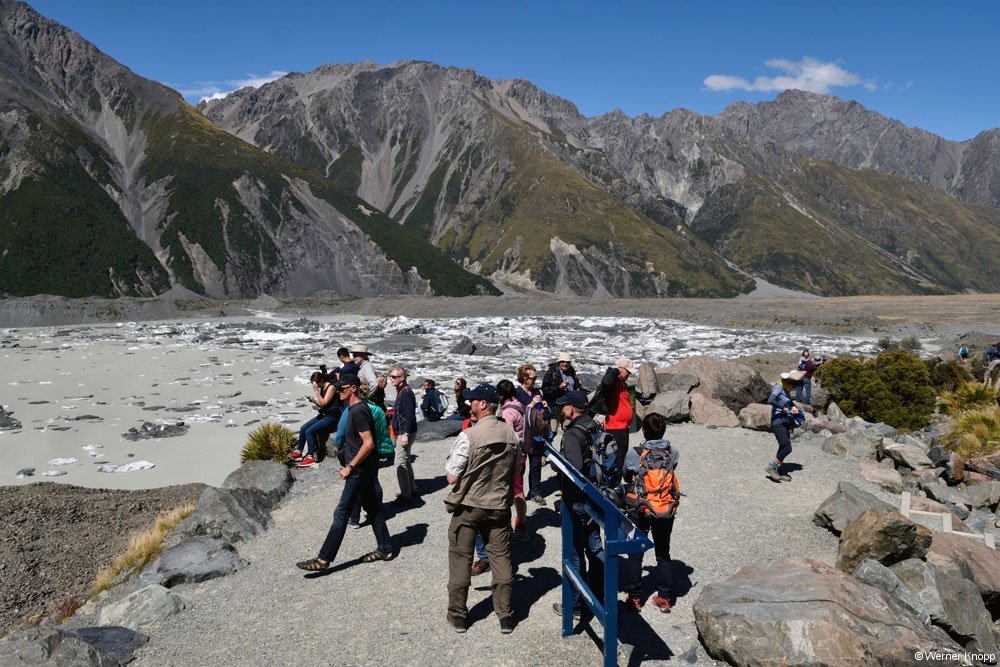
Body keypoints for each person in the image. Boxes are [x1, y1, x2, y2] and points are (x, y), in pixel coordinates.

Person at [295, 374, 394, 571]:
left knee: (341, 512)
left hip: (359, 470)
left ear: (353, 388)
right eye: (337, 388)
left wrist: (350, 466)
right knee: (373, 509)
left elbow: (368, 443)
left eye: (342, 388)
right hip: (366, 468)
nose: (338, 391)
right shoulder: (356, 409)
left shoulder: (358, 411)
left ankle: (323, 559)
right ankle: (386, 548)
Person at [443, 382, 519, 635]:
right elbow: (516, 469)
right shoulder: (511, 434)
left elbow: (452, 477)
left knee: (461, 559)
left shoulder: (469, 435)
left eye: (472, 400)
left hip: (469, 505)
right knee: (501, 558)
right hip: (499, 506)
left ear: (483, 404)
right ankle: (505, 616)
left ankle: (458, 615)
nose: (469, 404)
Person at [552, 389, 605, 620]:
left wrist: (555, 463)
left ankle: (573, 606)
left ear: (571, 409)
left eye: (564, 405)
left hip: (576, 499)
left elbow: (573, 468)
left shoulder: (573, 433)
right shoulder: (594, 426)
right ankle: (600, 594)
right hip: (595, 495)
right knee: (594, 547)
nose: (562, 408)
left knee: (574, 552)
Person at [621, 412, 678, 614]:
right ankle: (665, 598)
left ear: (643, 431)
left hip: (641, 507)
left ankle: (635, 597)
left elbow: (626, 475)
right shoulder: (672, 452)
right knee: (663, 552)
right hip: (665, 507)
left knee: (635, 553)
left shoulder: (634, 453)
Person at [498, 380, 530, 544]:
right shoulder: (519, 405)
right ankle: (520, 523)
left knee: (516, 491)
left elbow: (508, 436)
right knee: (518, 488)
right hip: (522, 451)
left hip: (514, 455)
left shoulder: (508, 412)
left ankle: (521, 527)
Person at [586, 356, 636, 454]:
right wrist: (616, 370)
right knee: (617, 455)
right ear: (621, 370)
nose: (629, 374)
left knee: (622, 454)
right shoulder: (613, 382)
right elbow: (606, 382)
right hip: (615, 427)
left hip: (623, 427)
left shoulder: (622, 384)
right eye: (627, 372)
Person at [290, 371, 339, 467]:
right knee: (303, 428)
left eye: (316, 384)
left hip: (332, 416)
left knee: (309, 431)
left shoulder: (331, 387)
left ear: (321, 380)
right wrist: (314, 401)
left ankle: (310, 457)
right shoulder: (323, 388)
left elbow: (324, 403)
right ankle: (299, 452)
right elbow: (322, 404)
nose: (317, 386)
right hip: (324, 414)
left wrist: (316, 391)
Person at [515, 364, 547, 505]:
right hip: (522, 433)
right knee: (519, 466)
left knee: (535, 465)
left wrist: (544, 405)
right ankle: (518, 494)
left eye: (535, 378)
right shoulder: (517, 393)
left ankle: (535, 493)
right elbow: (516, 412)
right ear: (524, 378)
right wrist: (532, 405)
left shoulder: (536, 392)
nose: (535, 380)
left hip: (535, 433)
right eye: (532, 378)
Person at [766, 370, 805, 482]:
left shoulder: (785, 388)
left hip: (785, 420)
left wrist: (793, 406)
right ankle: (772, 467)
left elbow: (787, 401)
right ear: (790, 382)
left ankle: (779, 470)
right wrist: (782, 408)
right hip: (778, 421)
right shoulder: (779, 388)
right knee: (787, 448)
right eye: (794, 387)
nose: (794, 389)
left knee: (782, 446)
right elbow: (770, 400)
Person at [389, 366, 418, 506]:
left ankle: (406, 496)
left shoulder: (405, 393)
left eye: (394, 377)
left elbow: (410, 415)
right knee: (405, 460)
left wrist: (405, 434)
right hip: (404, 430)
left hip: (405, 431)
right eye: (391, 377)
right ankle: (411, 489)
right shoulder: (402, 391)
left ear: (402, 377)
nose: (391, 379)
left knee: (399, 462)